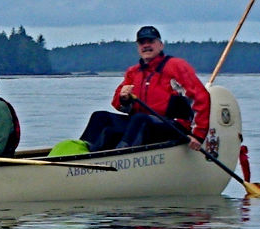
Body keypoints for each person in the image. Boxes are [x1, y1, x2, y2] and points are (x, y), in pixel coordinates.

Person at [79, 26, 210, 151]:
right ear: (138, 47)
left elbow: (201, 97)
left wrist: (198, 135)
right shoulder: (134, 72)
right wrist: (123, 99)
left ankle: (120, 156)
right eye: (142, 43)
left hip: (172, 126)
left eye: (151, 41)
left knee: (140, 119)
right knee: (100, 117)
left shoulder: (176, 67)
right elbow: (118, 104)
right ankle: (81, 153)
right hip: (140, 126)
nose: (146, 45)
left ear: (160, 45)